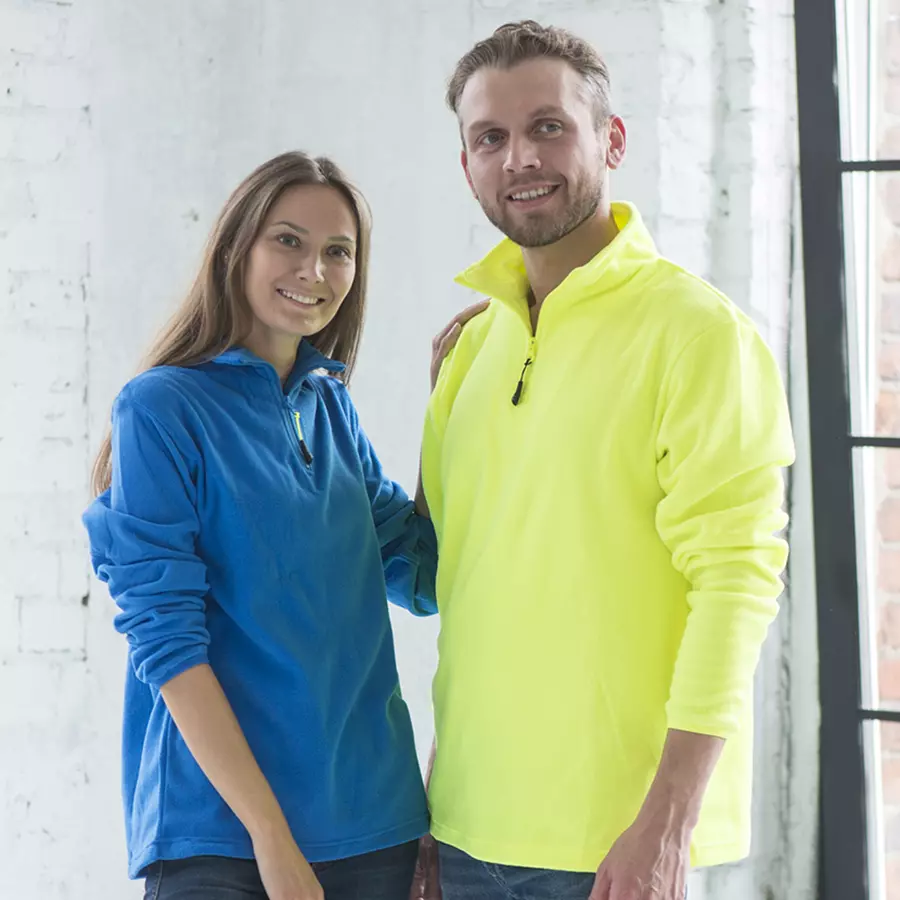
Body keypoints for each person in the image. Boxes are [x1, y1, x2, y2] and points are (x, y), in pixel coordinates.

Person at [415, 21, 795, 900]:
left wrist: (669, 823)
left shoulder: (698, 334)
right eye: (490, 138)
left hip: (617, 842)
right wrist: (436, 806)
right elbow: (468, 592)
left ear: (611, 139)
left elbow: (736, 583)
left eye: (548, 126)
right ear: (467, 165)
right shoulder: (470, 354)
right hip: (467, 828)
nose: (520, 158)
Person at [83, 151, 466, 900]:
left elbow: (423, 577)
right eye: (288, 240)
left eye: (338, 251)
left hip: (373, 825)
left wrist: (449, 409)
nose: (313, 270)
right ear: (237, 247)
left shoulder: (331, 409)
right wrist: (270, 834)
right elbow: (168, 644)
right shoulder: (162, 409)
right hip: (222, 836)